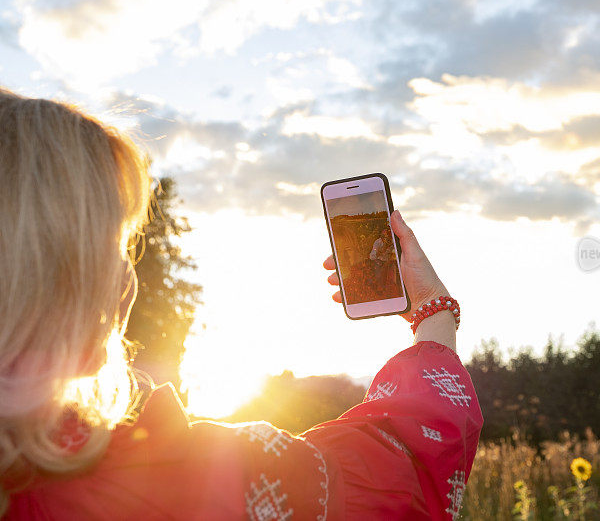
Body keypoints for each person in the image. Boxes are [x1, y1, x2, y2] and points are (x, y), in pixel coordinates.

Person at [0, 87, 483, 520]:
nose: (125, 271)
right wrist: (432, 309)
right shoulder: (165, 483)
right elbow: (400, 467)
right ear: (52, 279)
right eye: (115, 242)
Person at [368, 227, 393, 294]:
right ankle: (376, 288)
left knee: (384, 276)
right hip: (377, 260)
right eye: (385, 236)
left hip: (386, 261)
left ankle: (382, 289)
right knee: (378, 275)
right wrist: (383, 249)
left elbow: (390, 253)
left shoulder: (391, 243)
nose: (386, 238)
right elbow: (373, 255)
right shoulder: (377, 242)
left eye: (388, 236)